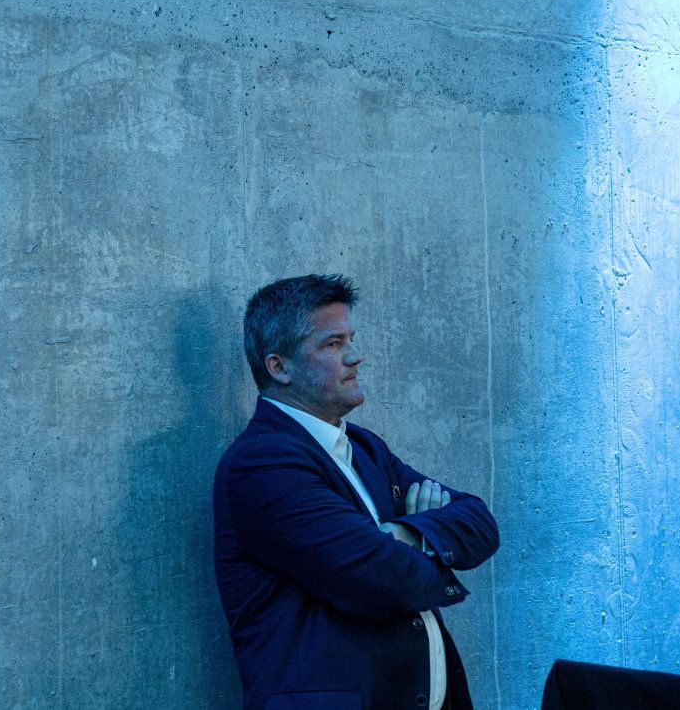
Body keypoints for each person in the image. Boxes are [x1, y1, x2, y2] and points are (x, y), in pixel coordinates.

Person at [213, 274, 499, 710]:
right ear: (279, 367)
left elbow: (479, 521)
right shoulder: (262, 464)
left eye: (351, 339)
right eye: (332, 344)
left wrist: (407, 534)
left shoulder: (364, 448)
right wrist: (431, 544)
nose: (354, 356)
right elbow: (384, 580)